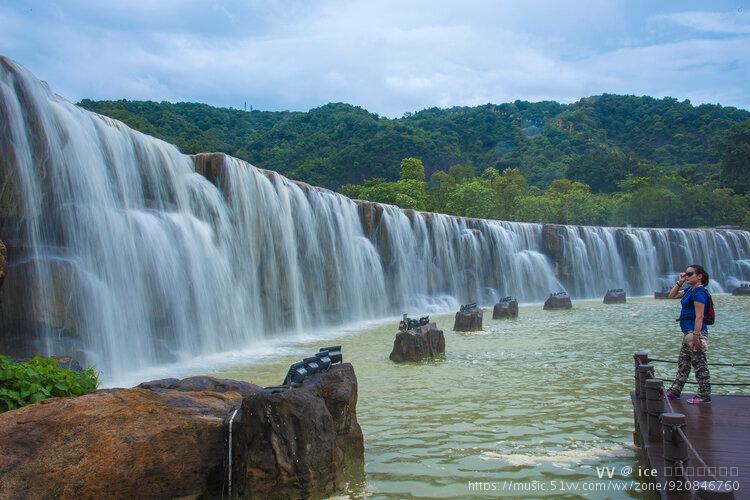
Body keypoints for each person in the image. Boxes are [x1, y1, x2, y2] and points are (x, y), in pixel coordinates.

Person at [665, 264, 711, 404]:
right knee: (684, 363)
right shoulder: (690, 290)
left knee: (699, 363)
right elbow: (671, 295)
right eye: (686, 273)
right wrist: (680, 281)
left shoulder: (699, 292)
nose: (687, 276)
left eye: (690, 274)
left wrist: (697, 336)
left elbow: (699, 316)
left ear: (699, 276)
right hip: (688, 334)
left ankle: (704, 395)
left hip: (695, 333)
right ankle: (675, 391)